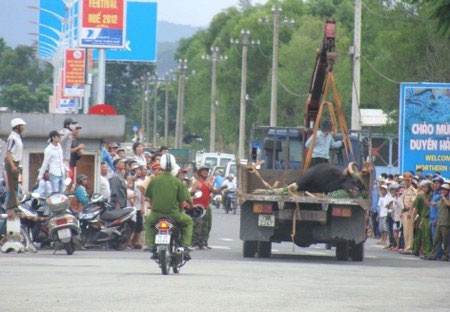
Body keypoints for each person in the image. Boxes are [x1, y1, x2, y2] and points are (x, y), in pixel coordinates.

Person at [144, 154, 194, 259]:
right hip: (174, 215)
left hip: (156, 214)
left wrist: (153, 208)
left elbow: (149, 197)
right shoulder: (177, 182)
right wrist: (181, 210)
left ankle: (150, 244)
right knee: (189, 221)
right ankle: (185, 246)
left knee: (148, 223)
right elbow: (181, 200)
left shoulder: (154, 180)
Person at [191, 165, 221, 249]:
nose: (205, 172)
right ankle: (194, 243)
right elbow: (191, 192)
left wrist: (222, 188)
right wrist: (194, 192)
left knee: (207, 225)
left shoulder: (208, 183)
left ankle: (204, 243)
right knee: (197, 225)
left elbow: (215, 191)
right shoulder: (197, 183)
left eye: (206, 171)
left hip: (206, 207)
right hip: (198, 207)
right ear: (200, 173)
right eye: (203, 171)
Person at [4, 118, 26, 214]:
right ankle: (11, 206)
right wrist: (12, 165)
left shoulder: (17, 137)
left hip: (16, 162)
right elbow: (8, 152)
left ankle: (14, 204)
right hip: (12, 162)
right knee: (12, 186)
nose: (23, 127)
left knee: (16, 185)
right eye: (22, 125)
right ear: (17, 127)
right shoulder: (12, 137)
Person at [426, 183, 450, 261]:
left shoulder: (447, 199)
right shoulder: (440, 199)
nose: (443, 191)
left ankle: (446, 255)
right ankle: (433, 255)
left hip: (446, 223)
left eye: (445, 190)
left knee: (446, 240)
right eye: (442, 189)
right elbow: (438, 208)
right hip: (439, 221)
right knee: (436, 239)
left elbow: (448, 204)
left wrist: (443, 198)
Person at [413, 179, 433, 258]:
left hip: (429, 218)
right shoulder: (421, 195)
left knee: (427, 236)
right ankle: (424, 252)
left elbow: (429, 205)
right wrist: (421, 220)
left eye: (426, 187)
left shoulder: (430, 196)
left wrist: (424, 198)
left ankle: (428, 252)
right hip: (423, 217)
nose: (424, 189)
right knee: (423, 236)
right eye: (423, 187)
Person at [400, 171, 417, 255]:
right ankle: (406, 247)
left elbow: (413, 202)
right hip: (404, 211)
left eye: (407, 180)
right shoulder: (405, 190)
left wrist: (410, 212)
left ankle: (409, 248)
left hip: (409, 212)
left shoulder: (413, 190)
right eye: (405, 180)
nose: (405, 182)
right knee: (405, 231)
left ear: (411, 180)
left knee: (409, 231)